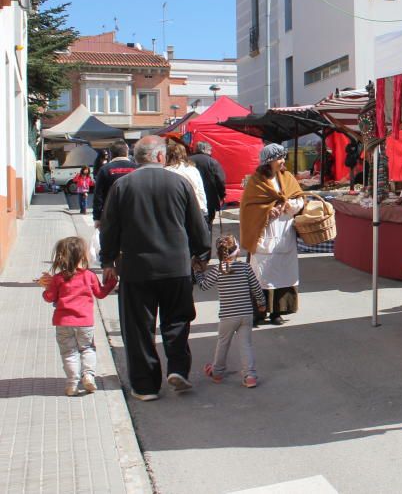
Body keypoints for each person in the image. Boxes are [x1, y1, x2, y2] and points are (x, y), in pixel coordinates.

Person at [99, 135, 211, 401]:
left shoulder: (122, 186)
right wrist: (202, 254)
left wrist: (108, 260)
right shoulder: (180, 183)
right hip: (176, 267)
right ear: (160, 156)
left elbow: (109, 227)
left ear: (138, 158)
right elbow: (197, 225)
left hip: (136, 268)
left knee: (138, 328)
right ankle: (178, 370)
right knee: (177, 321)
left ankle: (145, 385)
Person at [37, 236, 117, 396]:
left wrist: (46, 287)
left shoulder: (59, 278)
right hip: (85, 323)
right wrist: (112, 282)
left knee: (69, 352)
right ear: (83, 256)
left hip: (63, 323)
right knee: (87, 348)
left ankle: (72, 383)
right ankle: (88, 376)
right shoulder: (89, 276)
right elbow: (100, 294)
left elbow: (49, 298)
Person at [240, 143, 304, 326]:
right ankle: (258, 313)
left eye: (283, 157)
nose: (283, 161)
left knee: (283, 272)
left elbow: (300, 198)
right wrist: (267, 212)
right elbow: (249, 208)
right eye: (279, 158)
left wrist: (290, 205)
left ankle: (278, 311)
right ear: (269, 162)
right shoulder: (256, 181)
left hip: (284, 233)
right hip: (264, 235)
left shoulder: (288, 177)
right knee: (261, 274)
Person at [197, 234, 265, 388]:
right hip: (246, 314)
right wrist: (261, 304)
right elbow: (256, 288)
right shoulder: (245, 267)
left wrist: (198, 272)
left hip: (228, 316)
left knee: (223, 344)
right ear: (237, 251)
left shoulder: (218, 270)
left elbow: (203, 286)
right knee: (245, 345)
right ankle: (250, 376)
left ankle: (217, 372)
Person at [93, 140, 138, 226]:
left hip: (111, 214)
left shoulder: (104, 170)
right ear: (126, 152)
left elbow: (98, 196)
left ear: (111, 153)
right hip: (134, 214)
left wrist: (97, 217)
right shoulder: (136, 168)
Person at [189, 141, 227, 230]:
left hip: (192, 196)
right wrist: (222, 195)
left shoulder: (188, 161)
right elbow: (220, 180)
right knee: (208, 222)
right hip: (209, 197)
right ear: (205, 150)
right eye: (210, 150)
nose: (211, 151)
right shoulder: (212, 162)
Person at [165, 144, 209, 219]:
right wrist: (204, 208)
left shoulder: (166, 170)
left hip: (175, 210)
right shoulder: (192, 169)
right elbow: (200, 190)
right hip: (195, 207)